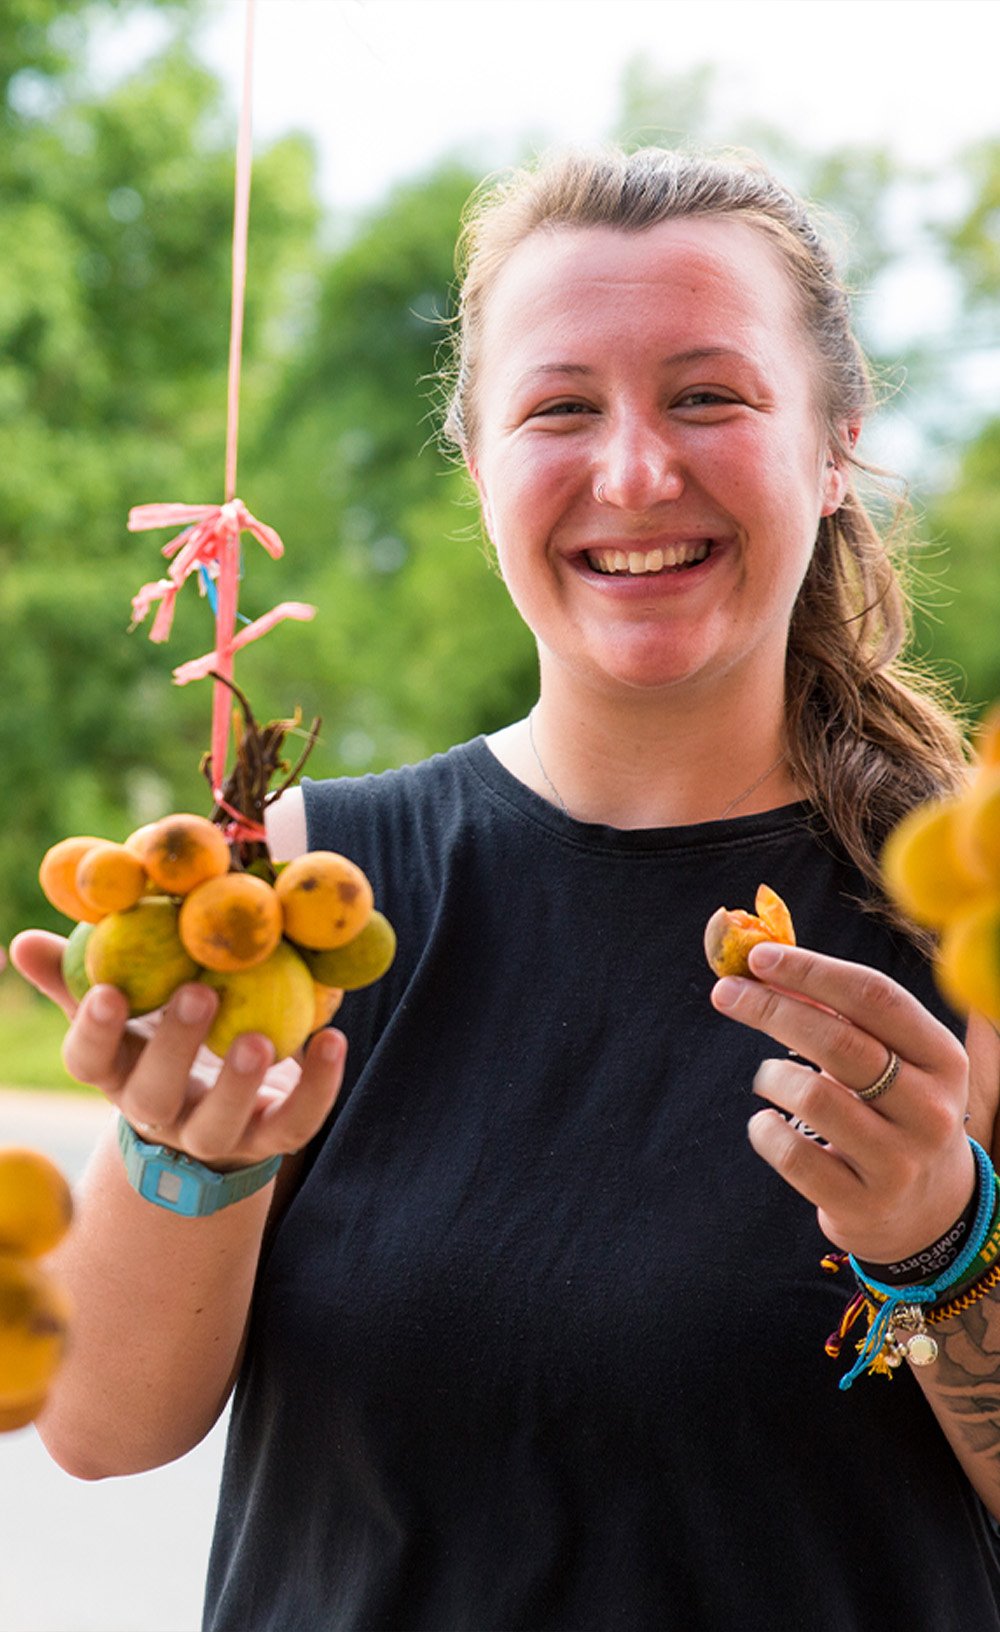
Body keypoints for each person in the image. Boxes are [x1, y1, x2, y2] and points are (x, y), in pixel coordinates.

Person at [12, 144, 1000, 1631]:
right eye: (560, 408)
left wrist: (942, 1245)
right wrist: (182, 1154)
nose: (634, 472)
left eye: (708, 396)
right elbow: (102, 1429)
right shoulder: (303, 891)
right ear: (477, 466)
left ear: (835, 440)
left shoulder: (969, 911)